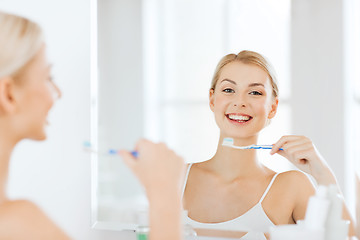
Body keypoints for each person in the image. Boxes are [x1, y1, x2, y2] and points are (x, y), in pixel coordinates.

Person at [0, 11, 184, 240]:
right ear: (8, 94)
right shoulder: (16, 224)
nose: (56, 93)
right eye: (48, 77)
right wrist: (164, 191)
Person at [182, 50, 355, 239]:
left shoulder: (292, 187)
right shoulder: (176, 179)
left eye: (255, 92)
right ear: (212, 99)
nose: (240, 102)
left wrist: (322, 173)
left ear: (272, 107)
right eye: (229, 90)